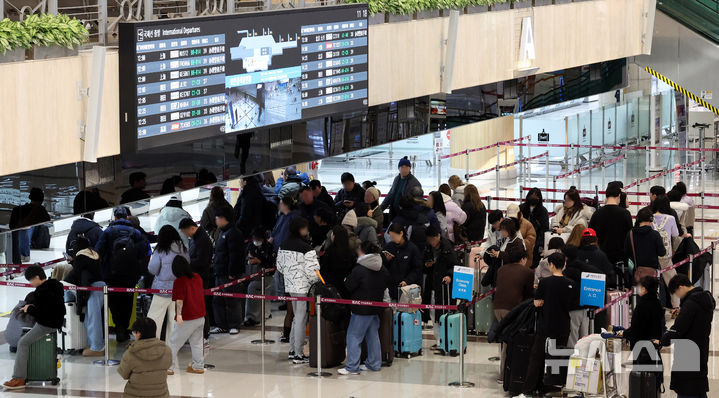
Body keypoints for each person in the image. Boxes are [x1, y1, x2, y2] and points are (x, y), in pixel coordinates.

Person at [519, 252, 575, 398]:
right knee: (557, 359)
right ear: (564, 265)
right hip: (563, 326)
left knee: (537, 358)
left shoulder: (544, 283)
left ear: (550, 265)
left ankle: (528, 391)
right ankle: (553, 389)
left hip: (545, 326)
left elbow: (537, 303)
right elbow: (570, 304)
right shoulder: (571, 284)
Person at [2, 265, 66, 390]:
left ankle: (19, 378)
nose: (31, 284)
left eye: (31, 280)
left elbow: (43, 313)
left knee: (22, 342)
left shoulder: (41, 291)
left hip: (47, 324)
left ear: (37, 277)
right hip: (56, 322)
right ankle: (19, 377)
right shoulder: (55, 285)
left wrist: (29, 308)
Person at [95, 207, 151, 342]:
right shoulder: (136, 232)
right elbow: (146, 251)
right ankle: (124, 328)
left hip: (111, 274)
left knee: (114, 302)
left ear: (114, 217)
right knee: (127, 301)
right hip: (131, 275)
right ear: (126, 218)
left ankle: (118, 326)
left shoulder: (108, 231)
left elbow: (98, 252)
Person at [655, 274, 715, 398]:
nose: (678, 296)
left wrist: (661, 341)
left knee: (687, 389)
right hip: (700, 349)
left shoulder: (691, 304)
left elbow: (677, 329)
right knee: (698, 388)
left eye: (677, 293)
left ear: (681, 287)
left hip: (687, 354)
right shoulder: (704, 298)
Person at [339, 241, 390, 375]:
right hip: (376, 308)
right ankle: (374, 364)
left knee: (353, 336)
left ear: (362, 252)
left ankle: (352, 367)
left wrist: (346, 280)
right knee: (372, 336)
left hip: (361, 309)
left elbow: (349, 286)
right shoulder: (382, 268)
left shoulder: (359, 269)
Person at [276, 217, 320, 364]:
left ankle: (292, 350)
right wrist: (316, 281)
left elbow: (279, 266)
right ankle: (298, 354)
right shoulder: (307, 248)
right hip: (302, 287)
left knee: (296, 316)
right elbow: (313, 271)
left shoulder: (283, 244)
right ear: (301, 229)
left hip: (289, 285)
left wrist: (290, 275)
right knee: (301, 318)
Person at [494, 249, 534, 383]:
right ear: (523, 259)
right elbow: (529, 294)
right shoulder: (527, 272)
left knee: (505, 341)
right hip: (511, 310)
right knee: (508, 344)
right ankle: (503, 376)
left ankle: (504, 372)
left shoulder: (501, 270)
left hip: (497, 307)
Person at [64, 237, 105, 356]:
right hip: (100, 287)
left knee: (93, 319)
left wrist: (73, 262)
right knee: (91, 318)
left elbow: (76, 274)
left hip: (92, 289)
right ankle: (94, 344)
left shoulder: (81, 257)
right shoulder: (93, 254)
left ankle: (97, 348)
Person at [148, 225, 190, 341]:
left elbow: (153, 269)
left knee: (154, 320)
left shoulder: (160, 249)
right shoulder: (183, 248)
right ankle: (171, 351)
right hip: (179, 291)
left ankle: (152, 346)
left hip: (162, 290)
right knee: (174, 322)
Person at [168, 256, 206, 375]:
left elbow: (180, 300)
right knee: (197, 343)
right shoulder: (197, 277)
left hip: (187, 317)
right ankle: (198, 366)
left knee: (174, 343)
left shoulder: (179, 281)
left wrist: (178, 315)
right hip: (200, 316)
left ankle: (168, 367)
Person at [116, 318, 172, 398]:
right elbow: (167, 366)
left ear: (138, 333)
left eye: (134, 333)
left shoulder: (131, 353)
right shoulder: (166, 350)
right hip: (161, 395)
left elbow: (124, 374)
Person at [211, 206, 245, 335]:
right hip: (219, 272)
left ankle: (234, 324)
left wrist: (232, 273)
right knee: (218, 300)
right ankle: (222, 325)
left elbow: (235, 255)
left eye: (217, 218)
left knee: (231, 299)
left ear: (223, 218)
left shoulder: (233, 233)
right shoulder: (222, 232)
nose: (216, 221)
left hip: (229, 274)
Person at [179, 218, 214, 340]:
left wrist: (186, 264)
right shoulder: (196, 238)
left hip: (201, 277)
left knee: (201, 305)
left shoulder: (202, 240)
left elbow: (201, 261)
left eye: (185, 232)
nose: (186, 235)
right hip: (196, 276)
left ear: (192, 228)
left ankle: (204, 332)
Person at [562, 244, 603, 347]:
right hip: (586, 308)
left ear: (566, 257)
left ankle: (572, 362)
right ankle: (584, 362)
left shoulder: (566, 272)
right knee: (584, 340)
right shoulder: (587, 268)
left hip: (572, 309)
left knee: (572, 340)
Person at [618, 276, 664, 363]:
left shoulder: (642, 305)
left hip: (642, 350)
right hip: (654, 346)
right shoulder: (657, 303)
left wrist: (624, 333)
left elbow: (637, 329)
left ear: (644, 289)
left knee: (643, 375)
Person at [424, 226, 458, 344]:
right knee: (434, 314)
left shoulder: (447, 248)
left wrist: (449, 275)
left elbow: (455, 265)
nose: (431, 242)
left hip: (445, 288)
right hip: (433, 284)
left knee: (445, 314)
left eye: (432, 239)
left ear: (438, 236)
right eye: (429, 240)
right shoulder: (428, 248)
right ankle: (439, 340)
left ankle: (446, 340)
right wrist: (427, 265)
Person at [588, 183, 633, 266]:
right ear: (619, 196)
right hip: (620, 256)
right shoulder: (625, 214)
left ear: (606, 196)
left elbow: (591, 234)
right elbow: (630, 235)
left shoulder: (597, 213)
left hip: (601, 255)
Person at [382, 223, 423, 301]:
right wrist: (386, 260)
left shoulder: (413, 249)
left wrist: (407, 280)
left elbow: (417, 269)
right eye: (391, 237)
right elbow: (383, 266)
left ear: (401, 233)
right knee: (394, 311)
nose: (392, 239)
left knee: (411, 311)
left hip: (411, 288)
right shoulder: (388, 247)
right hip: (393, 289)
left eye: (393, 236)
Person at [9, 187, 51, 263]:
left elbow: (13, 226)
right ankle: (24, 256)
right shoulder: (40, 210)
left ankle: (24, 256)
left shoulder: (18, 210)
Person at [244, 228, 275, 327]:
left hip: (266, 275)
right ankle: (244, 315)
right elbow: (245, 258)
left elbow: (272, 264)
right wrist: (249, 260)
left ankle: (252, 317)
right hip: (251, 273)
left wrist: (260, 261)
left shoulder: (269, 247)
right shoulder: (250, 246)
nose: (255, 241)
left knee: (253, 288)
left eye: (257, 238)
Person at [625, 209, 666, 284]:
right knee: (652, 294)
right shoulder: (655, 234)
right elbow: (662, 252)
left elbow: (627, 252)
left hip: (637, 272)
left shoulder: (630, 234)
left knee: (638, 294)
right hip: (652, 273)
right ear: (651, 219)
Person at [320, 225, 357, 299]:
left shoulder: (329, 251)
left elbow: (323, 269)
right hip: (346, 288)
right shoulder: (350, 252)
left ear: (334, 236)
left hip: (331, 288)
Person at [520, 188, 550, 268]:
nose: (533, 198)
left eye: (536, 196)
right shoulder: (521, 208)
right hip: (522, 238)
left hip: (536, 241)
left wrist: (538, 243)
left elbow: (545, 228)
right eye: (532, 196)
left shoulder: (543, 211)